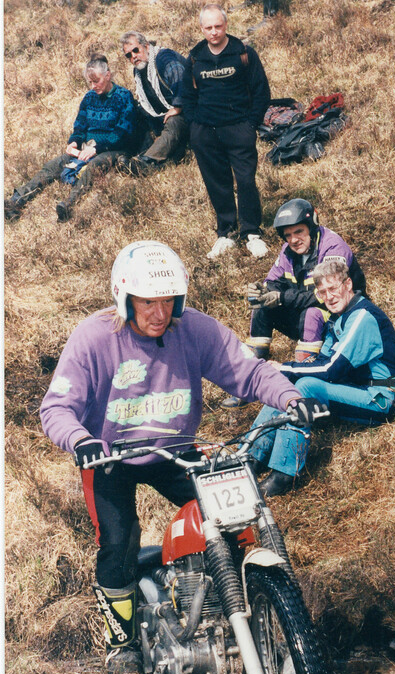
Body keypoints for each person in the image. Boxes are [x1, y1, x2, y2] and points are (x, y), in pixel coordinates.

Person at [40, 241, 322, 674]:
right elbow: (56, 408)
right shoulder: (94, 338)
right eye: (148, 302)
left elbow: (247, 370)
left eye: (168, 300)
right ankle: (123, 645)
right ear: (124, 298)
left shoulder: (194, 330)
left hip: (176, 450)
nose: (159, 312)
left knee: (236, 518)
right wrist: (80, 440)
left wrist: (290, 398)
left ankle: (241, 607)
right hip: (111, 458)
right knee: (119, 542)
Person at [248, 259, 395, 497]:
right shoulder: (337, 317)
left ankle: (285, 472)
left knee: (306, 385)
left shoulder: (362, 316)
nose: (329, 297)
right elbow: (321, 361)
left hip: (378, 398)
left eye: (333, 289)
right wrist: (286, 372)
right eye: (322, 292)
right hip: (353, 389)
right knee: (288, 383)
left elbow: (331, 370)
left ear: (348, 284)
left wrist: (284, 367)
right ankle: (251, 454)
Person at [222, 198, 367, 407]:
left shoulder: (333, 247)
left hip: (340, 318)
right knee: (263, 308)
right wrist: (262, 292)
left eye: (298, 232)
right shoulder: (287, 251)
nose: (293, 240)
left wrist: (281, 297)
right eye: (288, 235)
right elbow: (273, 281)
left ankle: (298, 385)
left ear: (312, 227)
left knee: (312, 314)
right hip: (309, 312)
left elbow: (325, 296)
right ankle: (250, 382)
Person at [173, 3, 271, 259]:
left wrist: (250, 124)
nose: (214, 32)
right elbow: (187, 95)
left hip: (239, 128)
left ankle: (251, 233)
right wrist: (196, 125)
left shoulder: (244, 53)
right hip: (206, 133)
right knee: (217, 183)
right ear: (201, 28)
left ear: (226, 25)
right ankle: (225, 233)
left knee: (247, 181)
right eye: (208, 27)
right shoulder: (194, 58)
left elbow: (261, 92)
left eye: (218, 26)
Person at [4, 55, 137, 223]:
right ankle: (15, 201)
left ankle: (69, 204)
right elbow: (80, 125)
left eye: (97, 81)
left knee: (95, 165)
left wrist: (97, 149)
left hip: (114, 149)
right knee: (53, 165)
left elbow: (123, 131)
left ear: (108, 75)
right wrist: (74, 141)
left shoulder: (124, 96)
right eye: (90, 82)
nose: (93, 86)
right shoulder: (89, 98)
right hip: (87, 147)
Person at [119, 31, 190, 175]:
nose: (133, 56)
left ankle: (145, 160)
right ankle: (143, 159)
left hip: (189, 114)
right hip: (166, 121)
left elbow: (180, 78)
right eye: (128, 55)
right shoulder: (138, 72)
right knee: (137, 113)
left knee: (174, 120)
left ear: (146, 46)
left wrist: (178, 106)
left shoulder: (163, 58)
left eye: (135, 50)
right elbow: (149, 105)